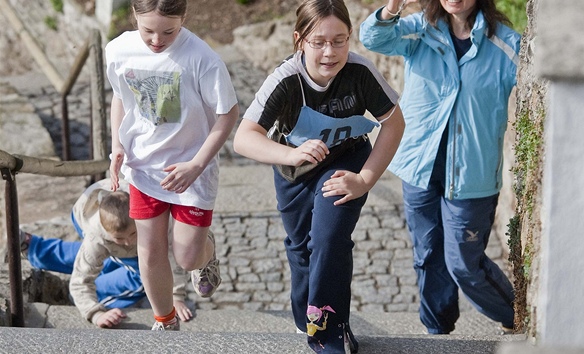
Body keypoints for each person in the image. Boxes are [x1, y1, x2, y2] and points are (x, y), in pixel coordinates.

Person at [233, 0, 404, 352]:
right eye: (319, 42)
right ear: (300, 41)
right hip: (294, 170)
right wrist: (291, 154)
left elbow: (394, 123)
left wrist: (366, 178)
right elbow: (244, 137)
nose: (330, 52)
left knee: (328, 240)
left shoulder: (360, 72)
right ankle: (305, 318)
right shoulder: (285, 79)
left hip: (346, 164)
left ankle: (330, 333)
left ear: (349, 38)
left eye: (339, 40)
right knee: (301, 248)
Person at [359, 0, 520, 335]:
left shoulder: (506, 45)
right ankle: (438, 333)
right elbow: (373, 38)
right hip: (421, 166)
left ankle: (515, 317)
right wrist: (392, 6)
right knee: (427, 254)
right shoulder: (420, 30)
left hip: (471, 174)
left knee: (464, 264)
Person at [106, 0, 239, 331]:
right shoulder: (119, 50)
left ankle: (205, 256)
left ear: (183, 19)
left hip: (192, 169)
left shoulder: (202, 59)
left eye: (168, 31)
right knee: (149, 250)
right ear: (134, 15)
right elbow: (121, 97)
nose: (156, 40)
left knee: (186, 256)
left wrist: (196, 164)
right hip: (143, 166)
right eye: (147, 30)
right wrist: (117, 145)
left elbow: (228, 114)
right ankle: (164, 321)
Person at [18, 179, 193, 328]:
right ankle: (85, 294)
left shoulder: (154, 220)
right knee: (143, 277)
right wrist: (95, 313)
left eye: (132, 235)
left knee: (151, 267)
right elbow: (81, 280)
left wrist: (176, 298)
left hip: (119, 211)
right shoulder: (97, 238)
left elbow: (171, 258)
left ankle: (32, 246)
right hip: (84, 213)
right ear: (108, 234)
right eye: (119, 239)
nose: (128, 242)